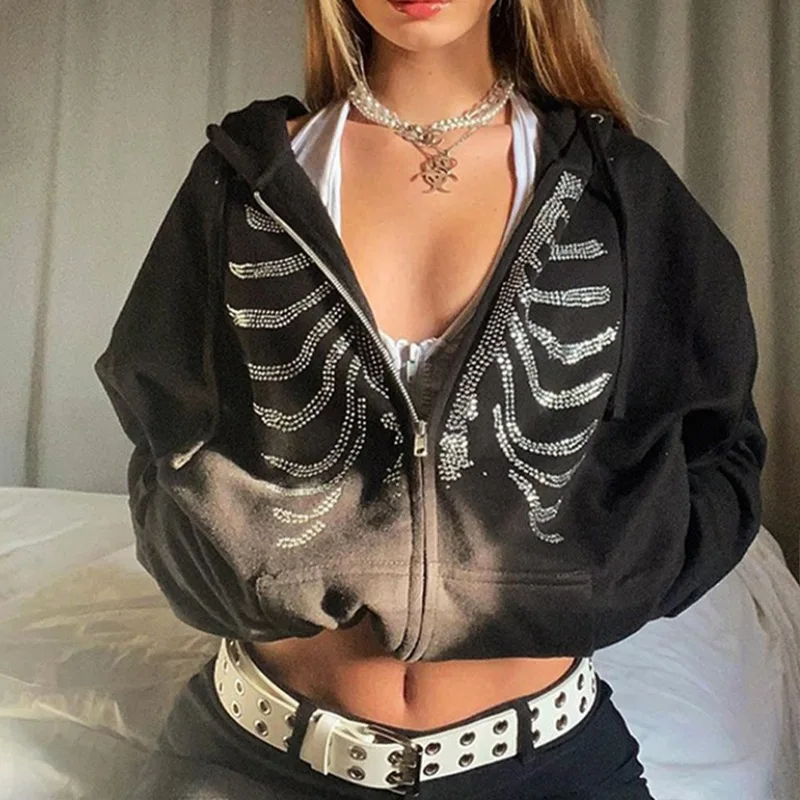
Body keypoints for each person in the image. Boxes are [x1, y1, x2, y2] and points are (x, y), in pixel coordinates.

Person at [95, 0, 767, 797]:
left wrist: (620, 574)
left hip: (547, 768)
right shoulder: (248, 180)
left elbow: (719, 438)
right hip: (252, 757)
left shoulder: (618, 188)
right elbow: (157, 418)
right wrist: (226, 564)